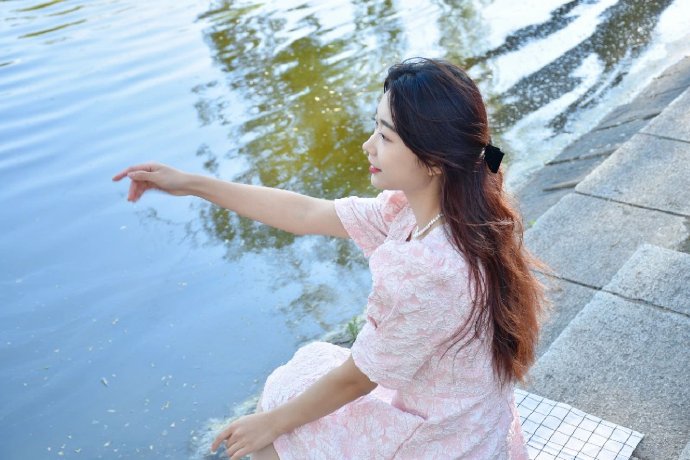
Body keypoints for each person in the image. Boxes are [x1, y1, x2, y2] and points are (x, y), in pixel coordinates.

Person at [113, 57, 545, 459]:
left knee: (275, 432)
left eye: (385, 137)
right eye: (375, 128)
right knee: (299, 382)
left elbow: (359, 378)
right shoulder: (448, 211)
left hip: (445, 439)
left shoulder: (429, 268)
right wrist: (190, 184)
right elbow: (305, 213)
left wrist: (269, 426)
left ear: (433, 161)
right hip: (461, 410)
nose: (368, 146)